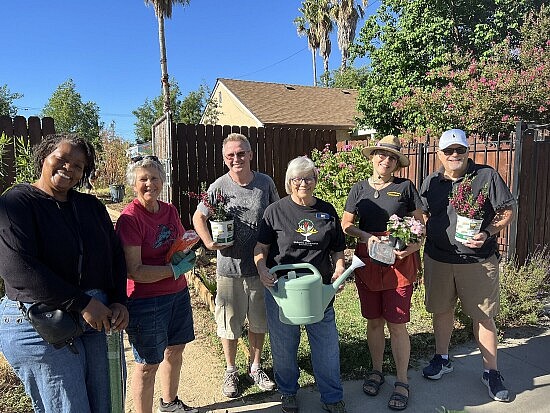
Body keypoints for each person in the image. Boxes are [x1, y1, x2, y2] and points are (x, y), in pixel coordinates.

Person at [0, 133, 129, 412]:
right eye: (62, 158)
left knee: (109, 404)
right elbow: (20, 269)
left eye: (79, 165)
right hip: (39, 318)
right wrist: (82, 303)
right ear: (44, 157)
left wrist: (119, 299)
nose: (69, 167)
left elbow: (115, 256)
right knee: (70, 407)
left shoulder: (91, 207)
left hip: (98, 317)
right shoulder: (16, 203)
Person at [419, 129, 515, 402]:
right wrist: (422, 229)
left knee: (483, 316)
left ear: (467, 151)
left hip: (478, 261)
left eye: (459, 150)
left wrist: (487, 232)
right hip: (438, 258)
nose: (454, 155)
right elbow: (423, 213)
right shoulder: (432, 182)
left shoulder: (486, 176)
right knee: (441, 310)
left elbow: (507, 209)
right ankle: (443, 358)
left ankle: (491, 372)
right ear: (440, 154)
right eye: (448, 151)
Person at [254, 156, 347, 413]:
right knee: (284, 345)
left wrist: (339, 268)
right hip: (282, 290)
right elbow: (261, 247)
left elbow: (338, 249)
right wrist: (262, 268)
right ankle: (288, 392)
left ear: (316, 181)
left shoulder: (327, 211)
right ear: (288, 182)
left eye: (308, 177)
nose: (302, 183)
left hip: (318, 290)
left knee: (326, 346)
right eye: (297, 178)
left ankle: (331, 397)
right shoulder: (275, 211)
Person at [192, 133, 278, 398]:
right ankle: (231, 370)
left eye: (241, 153)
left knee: (258, 321)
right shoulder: (219, 186)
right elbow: (199, 216)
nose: (236, 159)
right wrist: (207, 242)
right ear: (224, 158)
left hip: (261, 267)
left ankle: (255, 367)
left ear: (250, 155)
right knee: (229, 322)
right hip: (228, 268)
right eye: (230, 155)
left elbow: (277, 213)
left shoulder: (265, 184)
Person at [341, 135, 423, 411]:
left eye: (391, 157)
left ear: (397, 163)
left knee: (397, 324)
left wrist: (409, 250)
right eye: (381, 155)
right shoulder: (359, 189)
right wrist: (366, 237)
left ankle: (401, 380)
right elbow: (347, 225)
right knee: (374, 321)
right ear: (373, 157)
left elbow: (419, 228)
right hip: (369, 260)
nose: (385, 160)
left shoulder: (405, 187)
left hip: (399, 263)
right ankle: (376, 370)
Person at [116, 155, 198, 413]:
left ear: (162, 180)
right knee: (147, 364)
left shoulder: (169, 210)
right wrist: (173, 270)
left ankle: (170, 403)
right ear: (133, 185)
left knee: (175, 350)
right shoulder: (130, 219)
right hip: (146, 300)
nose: (149, 183)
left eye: (154, 178)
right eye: (143, 179)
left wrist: (186, 251)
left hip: (177, 294)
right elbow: (134, 271)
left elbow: (178, 241)